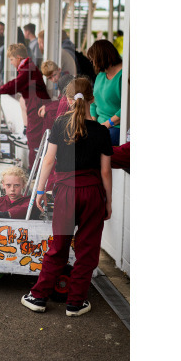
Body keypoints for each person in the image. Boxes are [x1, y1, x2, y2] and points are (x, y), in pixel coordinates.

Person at [20, 77, 113, 317]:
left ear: (68, 100)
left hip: (65, 192)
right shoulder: (102, 132)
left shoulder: (61, 124)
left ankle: (38, 297)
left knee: (59, 245)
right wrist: (108, 202)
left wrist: (40, 190)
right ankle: (76, 302)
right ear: (92, 99)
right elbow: (105, 172)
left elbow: (48, 160)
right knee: (88, 248)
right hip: (93, 193)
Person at [0, 44, 51, 167]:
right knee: (34, 139)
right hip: (35, 105)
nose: (10, 63)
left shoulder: (27, 69)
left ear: (19, 58)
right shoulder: (28, 67)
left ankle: (34, 171)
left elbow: (13, 86)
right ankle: (35, 170)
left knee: (34, 140)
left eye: (11, 59)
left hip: (37, 106)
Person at [86, 39, 123, 146]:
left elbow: (127, 108)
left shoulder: (124, 76)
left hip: (116, 127)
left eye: (93, 60)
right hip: (100, 125)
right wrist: (93, 121)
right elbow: (93, 102)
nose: (92, 63)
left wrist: (107, 124)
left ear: (101, 58)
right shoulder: (101, 75)